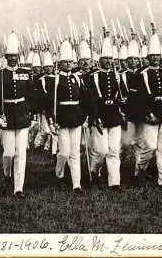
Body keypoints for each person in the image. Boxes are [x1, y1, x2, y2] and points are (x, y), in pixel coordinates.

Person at [0, 31, 34, 199]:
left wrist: (32, 114)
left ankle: (18, 187)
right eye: (10, 56)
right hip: (7, 116)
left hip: (22, 116)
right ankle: (7, 173)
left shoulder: (25, 73)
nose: (13, 59)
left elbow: (31, 95)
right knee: (9, 152)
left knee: (21, 153)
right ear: (6, 56)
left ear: (18, 56)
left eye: (15, 56)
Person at [46, 40, 88, 194]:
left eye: (70, 62)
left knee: (75, 151)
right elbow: (50, 103)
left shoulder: (77, 78)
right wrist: (51, 120)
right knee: (64, 151)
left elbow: (83, 99)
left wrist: (84, 117)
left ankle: (76, 184)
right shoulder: (55, 80)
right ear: (60, 63)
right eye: (66, 62)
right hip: (61, 119)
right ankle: (59, 172)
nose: (69, 64)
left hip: (76, 119)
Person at [134, 27, 162, 188]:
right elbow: (138, 98)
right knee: (150, 146)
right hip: (149, 115)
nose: (156, 59)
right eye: (153, 56)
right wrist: (148, 114)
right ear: (148, 57)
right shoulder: (141, 73)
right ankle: (140, 168)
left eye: (158, 56)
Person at [87, 36, 122, 191]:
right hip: (100, 116)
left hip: (114, 116)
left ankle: (114, 182)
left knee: (114, 150)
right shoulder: (93, 76)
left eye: (110, 59)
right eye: (105, 59)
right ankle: (94, 170)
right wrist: (95, 117)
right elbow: (91, 100)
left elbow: (121, 96)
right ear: (100, 60)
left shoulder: (116, 75)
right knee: (101, 150)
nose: (108, 62)